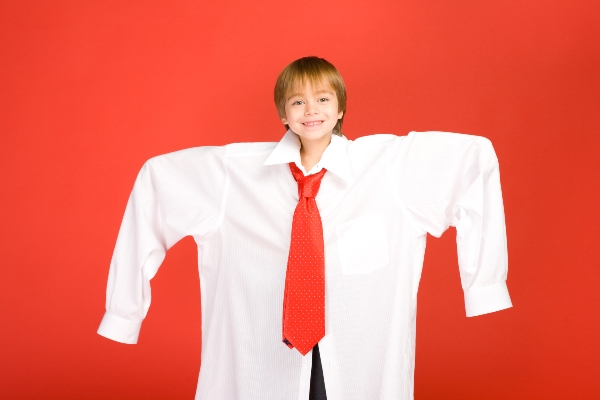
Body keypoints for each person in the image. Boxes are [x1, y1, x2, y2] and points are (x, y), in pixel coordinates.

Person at [97, 56, 512, 400]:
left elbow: (474, 158)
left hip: (357, 356)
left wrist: (483, 285)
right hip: (261, 362)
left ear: (341, 107)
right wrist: (123, 312)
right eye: (297, 101)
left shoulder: (390, 167)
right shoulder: (232, 174)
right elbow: (157, 180)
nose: (311, 110)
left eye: (323, 98)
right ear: (283, 113)